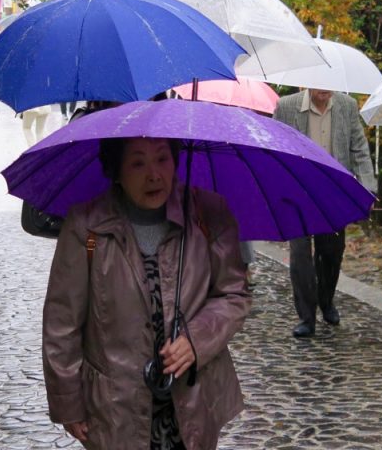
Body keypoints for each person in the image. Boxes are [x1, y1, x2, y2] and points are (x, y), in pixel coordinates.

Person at [43, 136, 250, 450]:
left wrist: (196, 341)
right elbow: (62, 322)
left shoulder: (206, 213)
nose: (154, 174)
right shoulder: (87, 225)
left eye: (162, 159)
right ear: (116, 170)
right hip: (116, 406)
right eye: (138, 163)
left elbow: (233, 294)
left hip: (192, 400)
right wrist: (68, 402)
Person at [273, 88, 376, 338]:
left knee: (331, 251)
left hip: (333, 190)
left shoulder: (347, 106)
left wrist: (367, 189)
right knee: (300, 255)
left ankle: (326, 300)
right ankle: (306, 317)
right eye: (318, 85)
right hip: (298, 191)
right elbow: (273, 144)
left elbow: (359, 149)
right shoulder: (287, 107)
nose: (324, 91)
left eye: (328, 86)